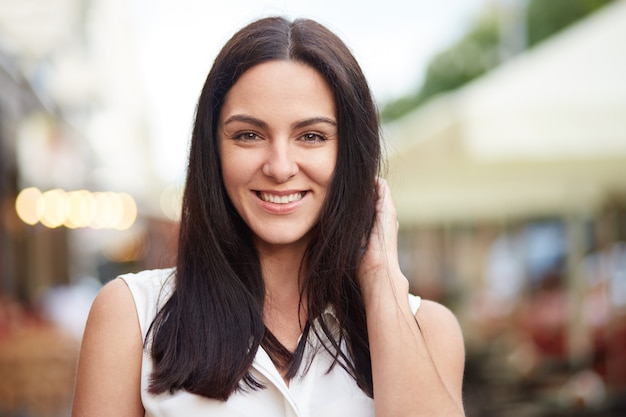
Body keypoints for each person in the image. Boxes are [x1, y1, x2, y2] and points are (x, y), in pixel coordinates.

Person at [71, 16, 466, 417]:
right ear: (213, 152)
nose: (279, 167)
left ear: (350, 154)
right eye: (249, 135)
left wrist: (381, 277)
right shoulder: (132, 316)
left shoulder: (428, 330)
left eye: (311, 136)